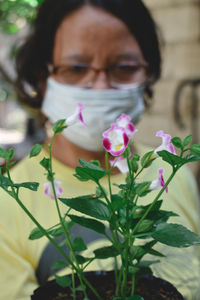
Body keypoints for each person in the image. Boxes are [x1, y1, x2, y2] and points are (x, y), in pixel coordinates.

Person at [0, 0, 200, 299]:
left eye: (124, 67)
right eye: (76, 67)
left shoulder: (176, 177)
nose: (100, 87)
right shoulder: (9, 203)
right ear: (43, 77)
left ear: (147, 74)